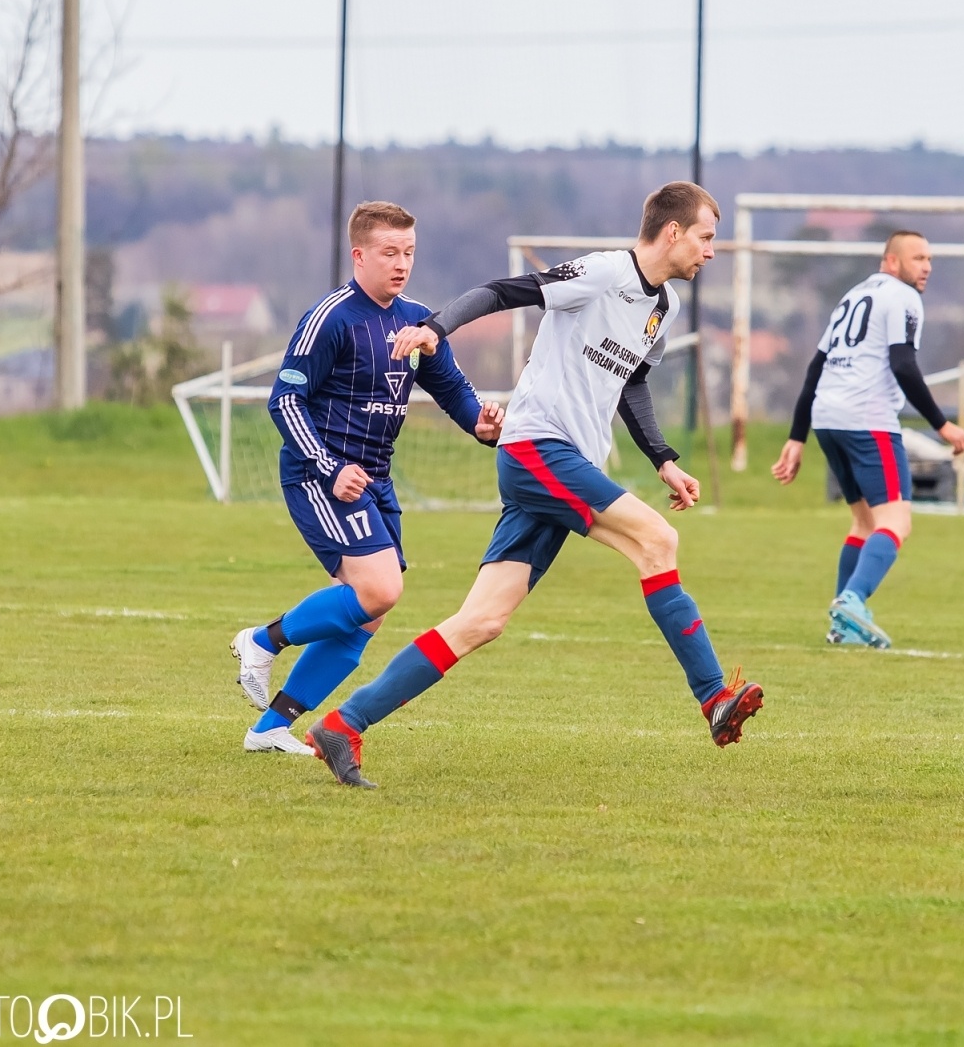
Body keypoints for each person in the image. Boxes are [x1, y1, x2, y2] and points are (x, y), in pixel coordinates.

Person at [302, 181, 761, 788]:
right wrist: (438, 327)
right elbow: (500, 291)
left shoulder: (664, 308)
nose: (711, 251)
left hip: (564, 464)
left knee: (481, 621)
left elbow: (634, 383)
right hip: (537, 449)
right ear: (673, 232)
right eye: (706, 237)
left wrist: (664, 459)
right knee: (658, 541)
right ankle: (713, 699)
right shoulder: (602, 274)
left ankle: (343, 724)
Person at [229, 201, 504, 754]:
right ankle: (261, 640)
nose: (401, 264)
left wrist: (480, 422)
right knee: (379, 589)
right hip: (320, 473)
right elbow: (285, 400)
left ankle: (270, 728)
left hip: (375, 477)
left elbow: (448, 385)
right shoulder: (331, 317)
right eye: (389, 253)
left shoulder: (418, 321)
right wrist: (330, 468)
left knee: (367, 615)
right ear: (359, 255)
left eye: (408, 253)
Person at [770, 230, 964, 648]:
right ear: (892, 262)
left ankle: (842, 626)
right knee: (896, 521)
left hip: (828, 418)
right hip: (868, 419)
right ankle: (853, 601)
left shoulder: (853, 295)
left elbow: (815, 367)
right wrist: (942, 425)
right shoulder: (902, 297)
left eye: (929, 258)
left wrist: (798, 437)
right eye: (918, 258)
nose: (927, 266)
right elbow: (903, 363)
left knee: (864, 522)